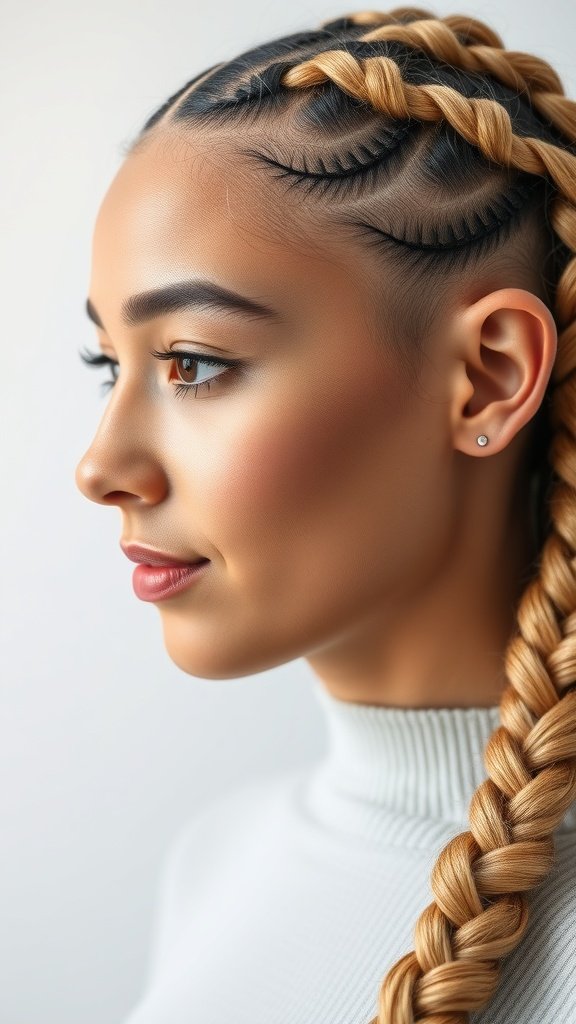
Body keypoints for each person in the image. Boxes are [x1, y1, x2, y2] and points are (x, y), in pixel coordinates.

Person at [74, 7, 576, 1023]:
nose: (100, 467)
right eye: (108, 365)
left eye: (194, 363)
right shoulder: (212, 861)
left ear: (489, 378)